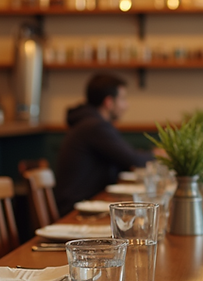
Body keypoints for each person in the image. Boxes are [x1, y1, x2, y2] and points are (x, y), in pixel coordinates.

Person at [54, 73, 154, 215]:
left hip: (87, 204)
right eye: (123, 99)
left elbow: (125, 158)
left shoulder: (91, 123)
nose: (127, 105)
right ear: (108, 102)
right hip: (77, 210)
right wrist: (160, 155)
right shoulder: (94, 126)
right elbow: (133, 159)